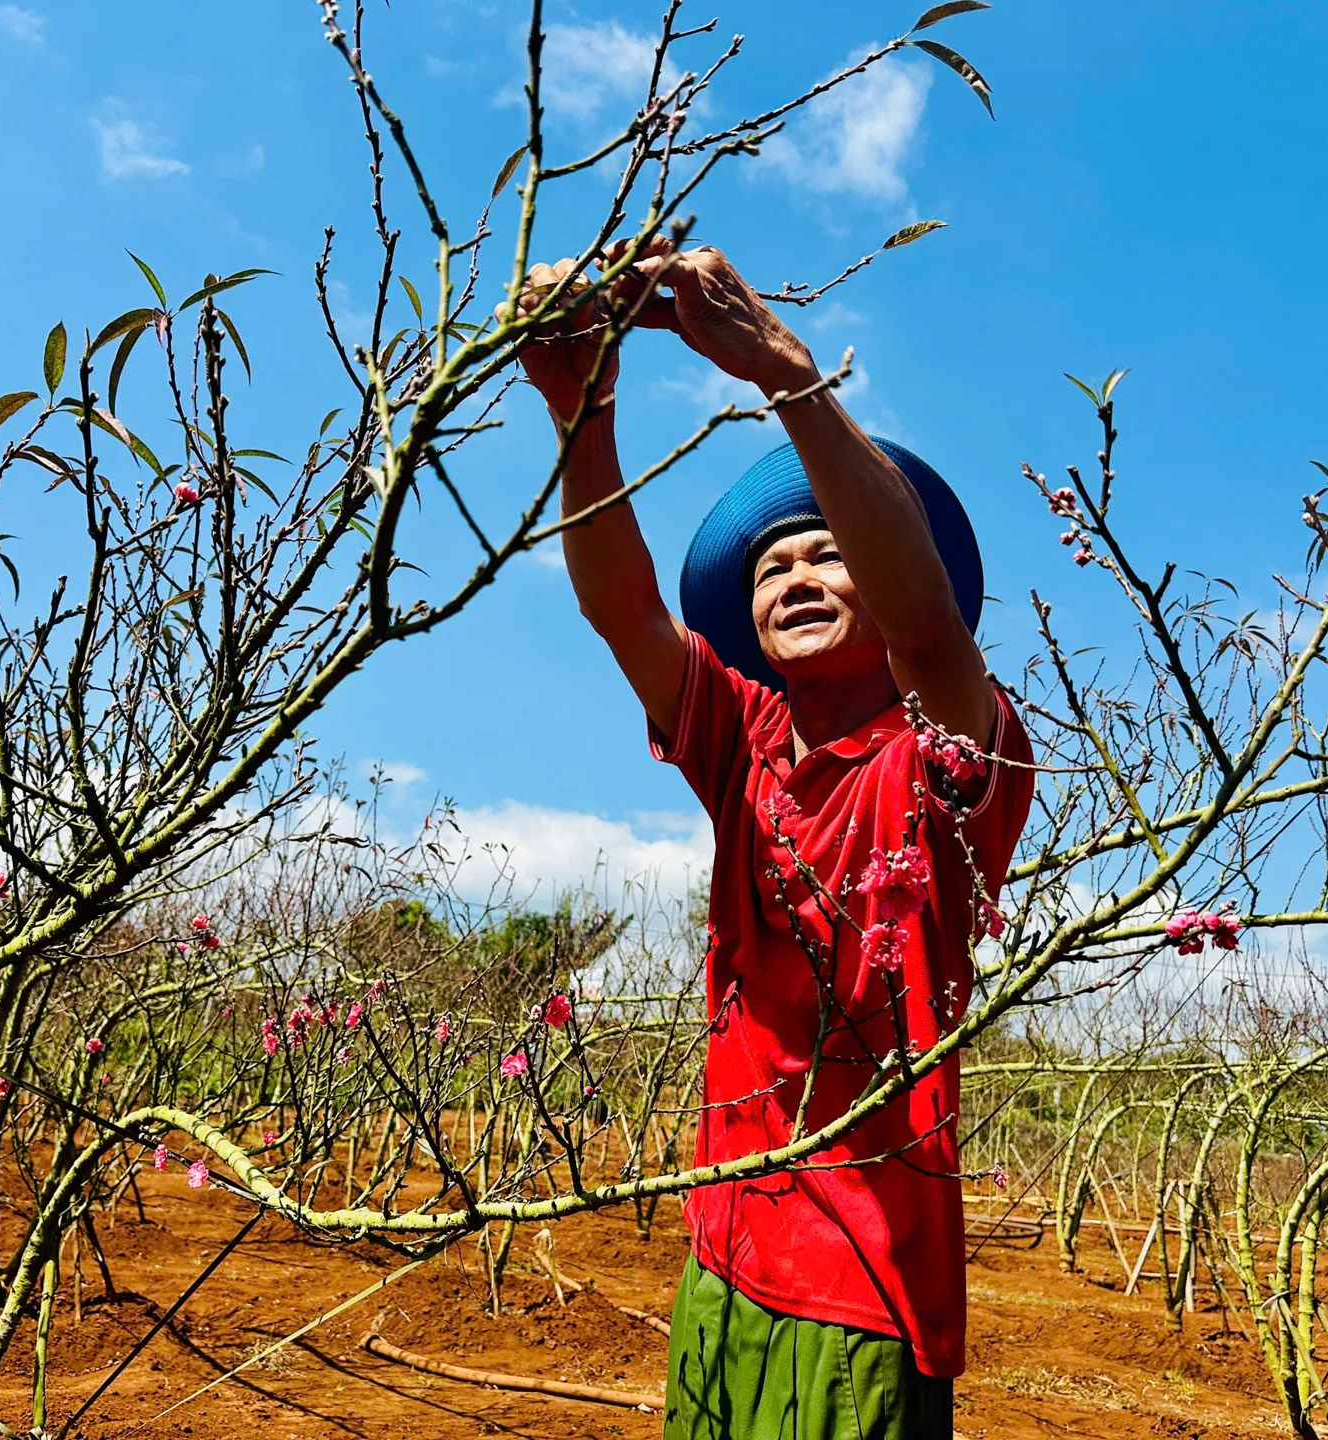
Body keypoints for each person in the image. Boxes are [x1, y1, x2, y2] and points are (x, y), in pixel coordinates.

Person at [505, 236, 1035, 1438]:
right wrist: (577, 398)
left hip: (862, 1287)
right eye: (769, 564)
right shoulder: (741, 740)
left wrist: (783, 372)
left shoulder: (947, 756)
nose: (793, 571)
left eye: (826, 551)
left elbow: (932, 635)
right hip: (724, 1242)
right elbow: (622, 611)